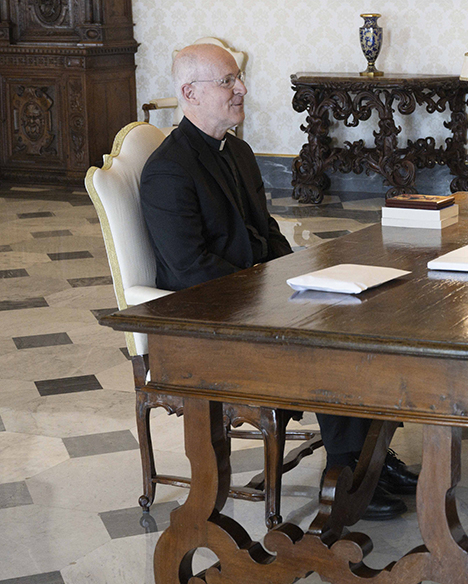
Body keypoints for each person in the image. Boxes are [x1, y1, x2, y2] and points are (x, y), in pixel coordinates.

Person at [140, 43, 417, 520]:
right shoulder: (167, 169)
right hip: (210, 319)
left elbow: (266, 233)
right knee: (331, 341)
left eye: (238, 79)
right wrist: (274, 291)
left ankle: (372, 455)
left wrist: (302, 278)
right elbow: (191, 271)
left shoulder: (239, 151)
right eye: (228, 81)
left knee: (362, 314)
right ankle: (351, 471)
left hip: (256, 296)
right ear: (189, 92)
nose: (241, 88)